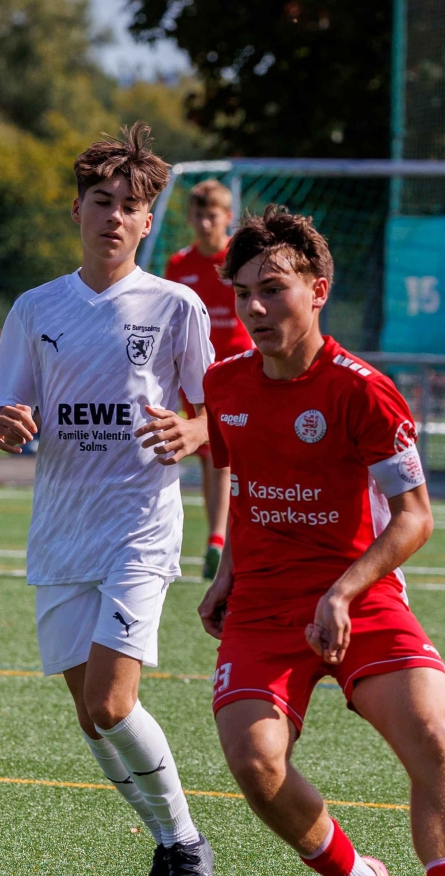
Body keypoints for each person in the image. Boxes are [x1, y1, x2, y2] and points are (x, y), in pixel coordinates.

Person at [198, 206, 445, 876]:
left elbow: (414, 517)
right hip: (262, 607)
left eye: (272, 289)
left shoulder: (363, 391)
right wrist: (225, 569)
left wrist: (342, 591)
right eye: (243, 293)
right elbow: (238, 476)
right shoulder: (223, 384)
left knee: (428, 730)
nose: (254, 307)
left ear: (317, 290)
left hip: (360, 597)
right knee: (254, 763)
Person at [0, 123, 216, 876]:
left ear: (148, 222)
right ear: (76, 210)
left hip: (138, 528)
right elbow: (5, 411)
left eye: (128, 205)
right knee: (92, 717)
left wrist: (194, 431)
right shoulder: (36, 308)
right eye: (100, 200)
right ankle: (168, 844)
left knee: (114, 703)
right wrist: (5, 424)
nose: (113, 215)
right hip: (60, 531)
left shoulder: (176, 306)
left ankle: (185, 846)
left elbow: (221, 413)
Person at [165, 180, 252, 579]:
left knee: (238, 456)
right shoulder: (179, 264)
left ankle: (231, 540)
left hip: (241, 369)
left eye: (212, 216)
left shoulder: (241, 258)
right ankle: (217, 541)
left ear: (227, 217)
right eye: (198, 215)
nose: (204, 223)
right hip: (199, 375)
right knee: (212, 457)